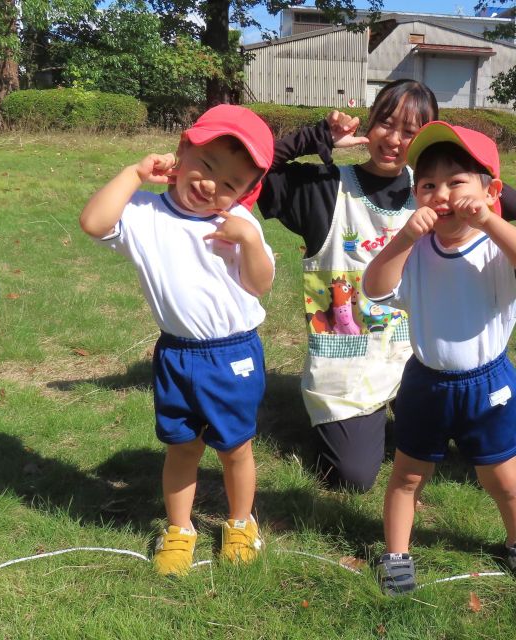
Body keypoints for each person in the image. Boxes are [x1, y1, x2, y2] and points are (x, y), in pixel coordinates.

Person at [241, 79, 516, 492]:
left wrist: (479, 196)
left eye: (411, 132)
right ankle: (339, 428)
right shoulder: (325, 187)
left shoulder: (433, 189)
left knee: (491, 462)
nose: (394, 140)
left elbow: (496, 193)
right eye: (386, 124)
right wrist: (314, 137)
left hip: (425, 358)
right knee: (353, 477)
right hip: (349, 362)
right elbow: (252, 172)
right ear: (369, 125)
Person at [79, 105, 275, 576]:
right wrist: (133, 174)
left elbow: (260, 283)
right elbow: (93, 222)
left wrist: (248, 240)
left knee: (236, 449)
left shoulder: (239, 225)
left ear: (246, 194)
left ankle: (241, 522)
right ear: (182, 151)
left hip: (233, 355)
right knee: (182, 447)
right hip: (177, 353)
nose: (212, 185)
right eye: (206, 166)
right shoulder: (145, 213)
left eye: (230, 184)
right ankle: (179, 528)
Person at [362, 122, 516, 595]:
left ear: (490, 189)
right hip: (426, 383)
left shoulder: (496, 246)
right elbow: (374, 287)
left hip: (488, 384)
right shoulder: (416, 250)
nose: (442, 194)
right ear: (416, 196)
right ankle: (396, 555)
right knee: (407, 475)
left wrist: (490, 219)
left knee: (504, 481)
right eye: (428, 185)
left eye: (456, 182)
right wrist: (404, 238)